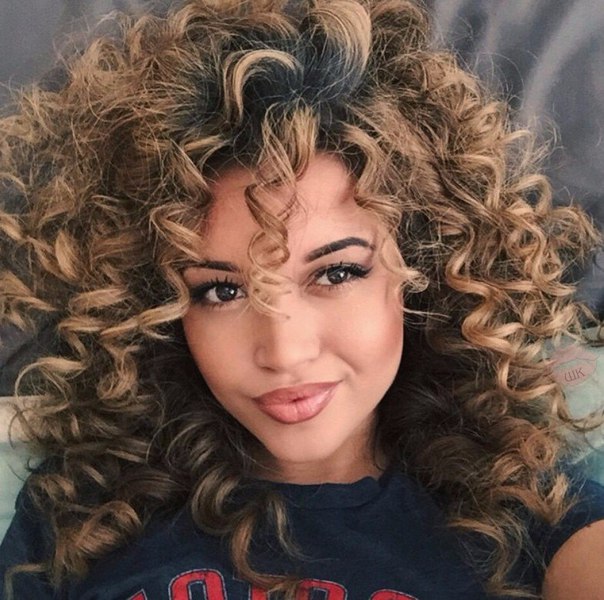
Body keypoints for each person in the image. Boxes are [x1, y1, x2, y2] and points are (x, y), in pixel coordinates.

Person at [0, 0, 603, 598]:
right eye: (222, 290)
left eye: (335, 274)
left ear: (420, 269)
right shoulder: (81, 506)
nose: (284, 351)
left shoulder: (531, 503)